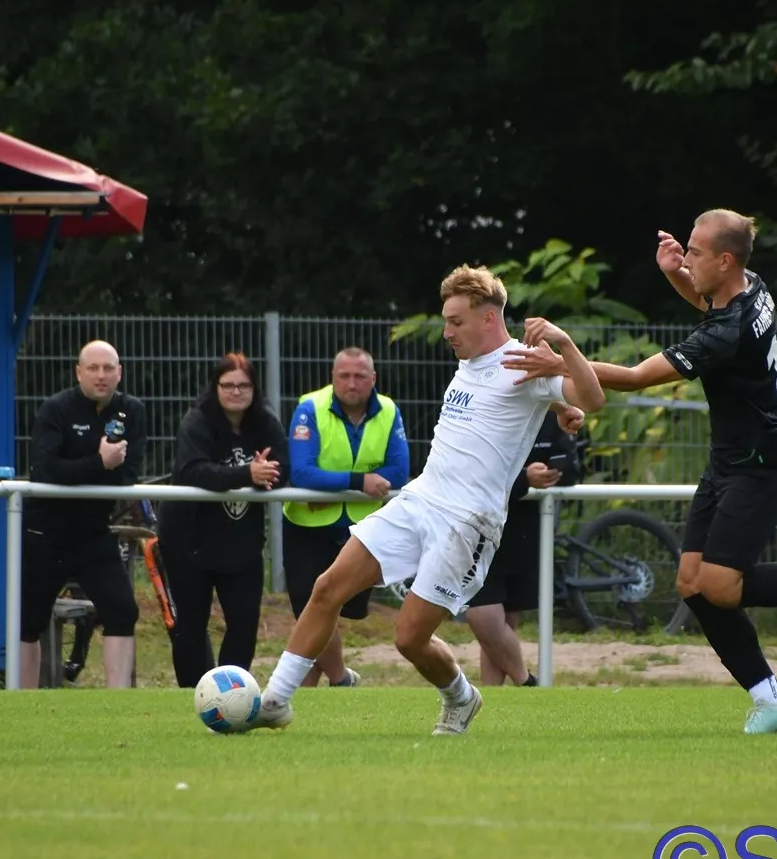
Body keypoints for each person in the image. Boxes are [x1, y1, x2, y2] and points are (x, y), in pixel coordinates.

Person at [504, 209, 777, 734]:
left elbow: (635, 377)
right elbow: (706, 298)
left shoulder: (728, 331)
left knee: (720, 586)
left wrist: (561, 363)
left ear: (724, 260)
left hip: (763, 465)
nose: (687, 258)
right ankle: (770, 699)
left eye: (695, 253)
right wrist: (676, 274)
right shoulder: (748, 285)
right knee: (692, 584)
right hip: (730, 459)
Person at [254, 265, 604, 735]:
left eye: (455, 321)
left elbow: (593, 398)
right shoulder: (471, 359)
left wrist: (564, 350)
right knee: (326, 588)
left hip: (467, 523)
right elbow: (504, 398)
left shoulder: (528, 363)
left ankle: (461, 697)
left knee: (409, 639)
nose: (446, 332)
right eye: (446, 321)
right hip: (420, 500)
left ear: (488, 318)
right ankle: (274, 701)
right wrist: (560, 407)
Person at [19, 340, 146, 690]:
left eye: (108, 368)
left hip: (93, 533)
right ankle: (19, 702)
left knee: (122, 610)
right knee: (28, 619)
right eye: (93, 368)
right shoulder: (56, 409)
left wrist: (88, 469)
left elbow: (128, 474)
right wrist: (100, 462)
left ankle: (118, 702)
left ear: (120, 373)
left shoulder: (131, 410)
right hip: (44, 532)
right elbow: (45, 470)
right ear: (79, 373)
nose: (101, 375)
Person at [157, 352, 288, 686]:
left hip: (241, 545)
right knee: (191, 626)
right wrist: (248, 473)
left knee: (244, 624)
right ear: (215, 387)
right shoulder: (196, 422)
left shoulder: (266, 423)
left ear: (254, 389)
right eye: (227, 385)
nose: (235, 392)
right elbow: (193, 471)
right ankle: (192, 694)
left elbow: (283, 469)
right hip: (188, 542)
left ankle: (232, 694)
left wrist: (266, 474)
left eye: (243, 385)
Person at [283, 347, 410, 688]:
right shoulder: (310, 408)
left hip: (361, 530)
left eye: (359, 376)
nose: (351, 383)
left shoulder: (388, 411)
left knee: (333, 610)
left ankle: (311, 692)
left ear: (373, 379)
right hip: (307, 529)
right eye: (344, 376)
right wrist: (359, 482)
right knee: (313, 609)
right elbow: (302, 473)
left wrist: (338, 484)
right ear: (332, 377)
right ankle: (339, 679)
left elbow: (399, 471)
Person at [465, 409, 582, 686]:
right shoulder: (484, 410)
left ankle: (493, 697)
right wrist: (524, 479)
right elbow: (472, 471)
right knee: (482, 614)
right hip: (479, 527)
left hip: (525, 531)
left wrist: (552, 473)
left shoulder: (552, 414)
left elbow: (572, 469)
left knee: (506, 620)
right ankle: (526, 681)